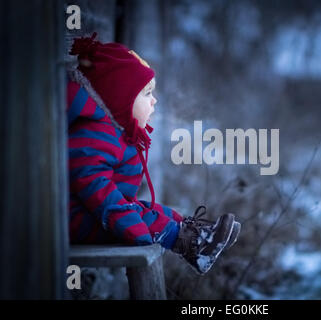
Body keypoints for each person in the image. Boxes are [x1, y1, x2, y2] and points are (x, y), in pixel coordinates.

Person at [66, 32, 240, 275]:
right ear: (120, 99)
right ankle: (191, 244)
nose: (154, 101)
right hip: (73, 223)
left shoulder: (110, 133)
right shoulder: (94, 136)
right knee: (143, 215)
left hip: (90, 215)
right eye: (147, 93)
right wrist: (138, 234)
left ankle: (200, 240)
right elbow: (102, 195)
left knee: (156, 210)